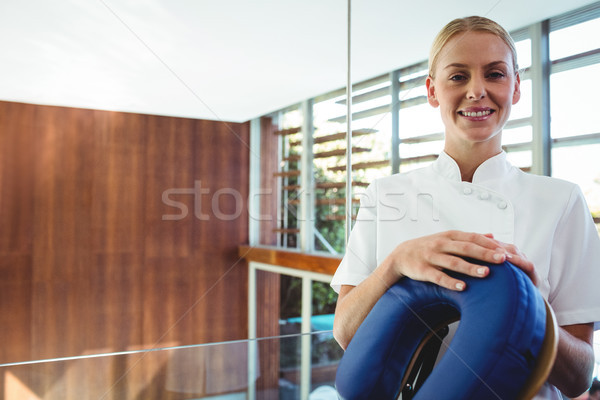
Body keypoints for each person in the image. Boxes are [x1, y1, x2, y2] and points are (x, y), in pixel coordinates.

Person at [331, 16, 600, 399]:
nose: (477, 91)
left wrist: (532, 310)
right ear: (432, 90)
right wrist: (397, 260)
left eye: (495, 74)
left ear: (516, 87)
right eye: (458, 76)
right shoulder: (385, 194)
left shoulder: (562, 200)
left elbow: (578, 378)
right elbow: (346, 333)